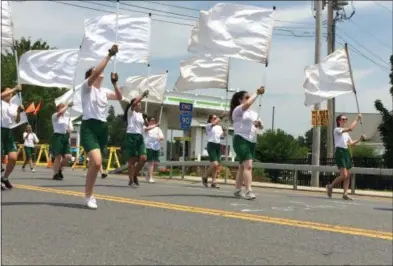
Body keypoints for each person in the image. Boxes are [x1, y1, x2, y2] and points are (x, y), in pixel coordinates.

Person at [80, 44, 122, 209]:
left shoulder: (104, 91)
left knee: (94, 164)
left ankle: (88, 192)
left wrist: (115, 83)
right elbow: (97, 71)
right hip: (89, 127)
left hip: (102, 128)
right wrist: (109, 55)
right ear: (90, 76)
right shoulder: (86, 88)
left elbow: (119, 97)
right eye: (95, 71)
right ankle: (88, 196)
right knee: (97, 163)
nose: (99, 73)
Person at [229, 87, 265, 200]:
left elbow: (261, 127)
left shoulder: (253, 113)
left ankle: (237, 190)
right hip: (241, 139)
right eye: (247, 97)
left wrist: (259, 125)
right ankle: (249, 190)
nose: (249, 99)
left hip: (252, 141)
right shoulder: (238, 110)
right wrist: (257, 93)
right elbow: (248, 104)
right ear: (240, 100)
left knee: (242, 167)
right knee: (248, 166)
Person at [326, 114, 365, 200]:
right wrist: (357, 119)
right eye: (343, 119)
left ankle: (345, 193)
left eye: (346, 119)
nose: (345, 120)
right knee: (344, 175)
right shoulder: (337, 130)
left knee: (348, 175)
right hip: (340, 152)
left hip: (346, 152)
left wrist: (360, 139)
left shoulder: (346, 133)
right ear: (339, 121)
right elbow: (351, 128)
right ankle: (330, 186)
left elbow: (351, 143)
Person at [122, 91, 149, 187]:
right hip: (131, 136)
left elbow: (147, 125)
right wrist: (143, 95)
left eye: (141, 104)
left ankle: (135, 175)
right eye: (139, 103)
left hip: (140, 137)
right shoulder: (131, 111)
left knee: (143, 158)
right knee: (132, 160)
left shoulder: (141, 115)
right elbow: (133, 103)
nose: (140, 105)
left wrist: (146, 118)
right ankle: (131, 180)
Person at [1, 85, 24, 190]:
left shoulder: (12, 106)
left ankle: (5, 178)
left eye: (11, 92)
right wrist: (15, 89)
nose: (10, 93)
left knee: (13, 158)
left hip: (8, 131)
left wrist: (19, 111)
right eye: (8, 91)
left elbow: (17, 120)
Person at [202, 113, 227, 188]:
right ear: (210, 119)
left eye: (216, 118)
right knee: (215, 164)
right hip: (211, 145)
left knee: (216, 166)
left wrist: (224, 131)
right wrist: (221, 116)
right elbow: (214, 123)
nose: (216, 119)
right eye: (214, 118)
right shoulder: (208, 125)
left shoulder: (219, 127)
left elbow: (223, 136)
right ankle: (205, 176)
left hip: (218, 145)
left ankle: (213, 182)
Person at [51, 102, 74, 180]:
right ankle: (55, 174)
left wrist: (70, 130)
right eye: (61, 107)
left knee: (68, 156)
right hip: (57, 136)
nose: (64, 108)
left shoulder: (67, 118)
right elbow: (60, 112)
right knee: (58, 156)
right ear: (58, 108)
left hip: (65, 137)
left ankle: (59, 169)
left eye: (64, 107)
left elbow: (71, 128)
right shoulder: (55, 116)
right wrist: (68, 105)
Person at [144, 117, 164, 184]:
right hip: (149, 146)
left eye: (154, 120)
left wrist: (159, 138)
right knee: (151, 162)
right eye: (151, 120)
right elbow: (146, 129)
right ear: (148, 121)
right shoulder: (146, 127)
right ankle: (150, 178)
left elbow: (162, 137)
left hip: (156, 147)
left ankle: (148, 174)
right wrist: (156, 124)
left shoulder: (158, 129)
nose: (153, 121)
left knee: (156, 163)